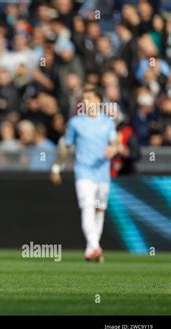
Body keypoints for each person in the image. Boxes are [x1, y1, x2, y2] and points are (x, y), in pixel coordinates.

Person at [50, 88, 119, 262]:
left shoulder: (107, 121)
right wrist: (57, 167)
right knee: (87, 206)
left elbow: (115, 142)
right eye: (84, 99)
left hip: (103, 173)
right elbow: (67, 146)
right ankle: (96, 247)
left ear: (98, 101)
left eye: (89, 98)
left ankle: (91, 248)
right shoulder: (75, 122)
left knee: (99, 209)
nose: (86, 102)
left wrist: (115, 148)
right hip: (83, 172)